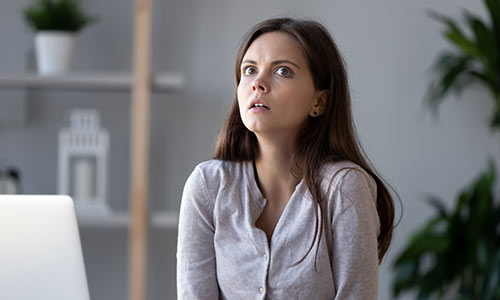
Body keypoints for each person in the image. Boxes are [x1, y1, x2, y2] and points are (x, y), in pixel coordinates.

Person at [176, 17, 397, 299]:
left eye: (283, 71)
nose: (258, 83)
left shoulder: (344, 188)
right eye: (249, 70)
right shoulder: (207, 186)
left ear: (320, 101)